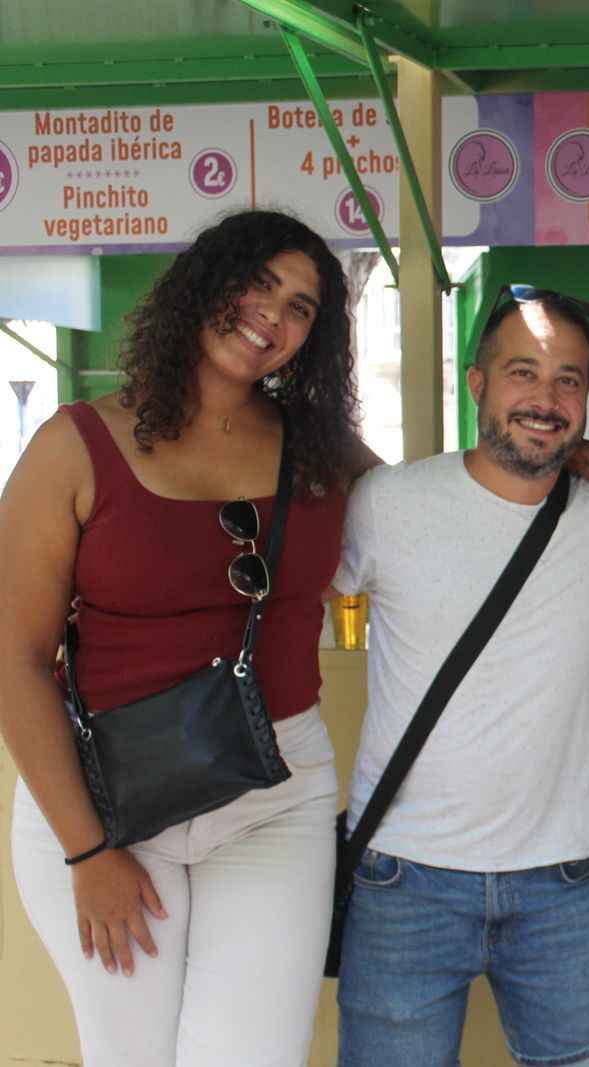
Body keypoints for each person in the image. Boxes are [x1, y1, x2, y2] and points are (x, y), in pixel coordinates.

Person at [0, 210, 360, 1066]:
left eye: (302, 307)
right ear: (204, 283)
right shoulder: (76, 444)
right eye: (260, 283)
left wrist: (557, 451)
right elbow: (13, 657)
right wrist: (88, 850)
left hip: (276, 797)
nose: (273, 314)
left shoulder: (318, 450)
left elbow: (446, 508)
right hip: (107, 801)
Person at [331, 283, 589, 1067]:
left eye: (569, 380)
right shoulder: (387, 502)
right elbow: (303, 592)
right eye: (523, 373)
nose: (547, 399)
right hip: (401, 878)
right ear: (478, 384)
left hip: (559, 878)